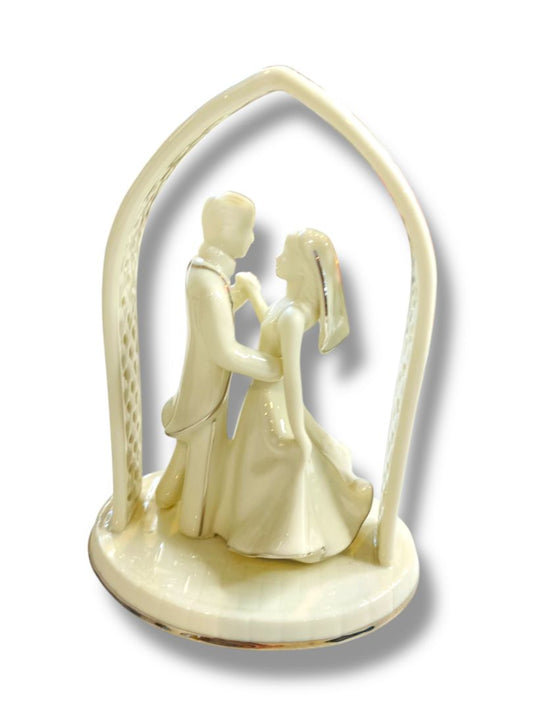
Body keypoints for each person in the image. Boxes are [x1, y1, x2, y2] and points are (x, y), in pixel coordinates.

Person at [213, 229, 373, 563]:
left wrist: (299, 431)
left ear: (300, 268)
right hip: (259, 399)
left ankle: (282, 533)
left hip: (271, 402)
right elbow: (269, 326)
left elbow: (292, 378)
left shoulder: (295, 316)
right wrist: (255, 295)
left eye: (285, 255)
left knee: (283, 460)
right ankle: (244, 520)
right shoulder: (285, 307)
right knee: (251, 465)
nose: (277, 258)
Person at [155, 192, 281, 538]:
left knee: (186, 452)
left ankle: (164, 496)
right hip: (207, 395)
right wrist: (272, 366)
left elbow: (212, 321)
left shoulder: (202, 272)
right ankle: (193, 530)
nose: (252, 238)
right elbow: (225, 351)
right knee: (203, 464)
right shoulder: (210, 285)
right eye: (248, 229)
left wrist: (239, 295)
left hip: (198, 386)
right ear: (229, 231)